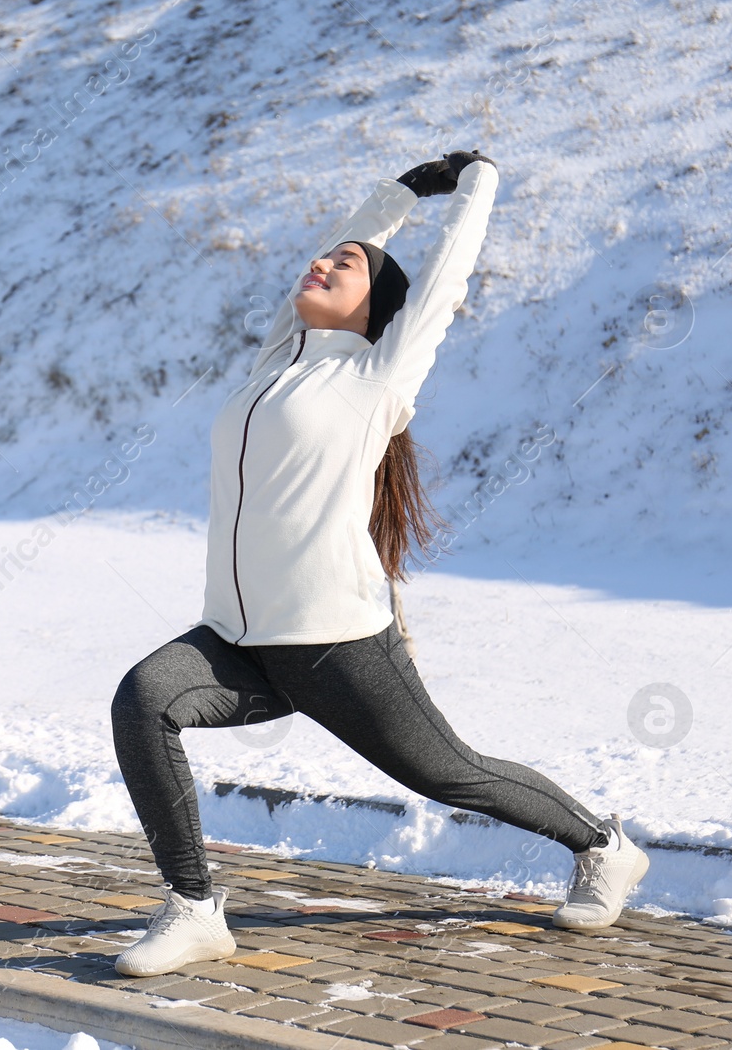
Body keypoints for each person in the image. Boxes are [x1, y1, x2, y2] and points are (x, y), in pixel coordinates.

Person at [109, 151, 649, 978]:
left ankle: (604, 845)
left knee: (453, 773)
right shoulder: (275, 361)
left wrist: (476, 186)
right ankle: (193, 908)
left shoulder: (378, 376)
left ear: (378, 309)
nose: (324, 260)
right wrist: (396, 194)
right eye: (323, 256)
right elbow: (346, 243)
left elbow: (441, 284)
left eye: (347, 264)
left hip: (338, 644)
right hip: (236, 639)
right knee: (144, 697)